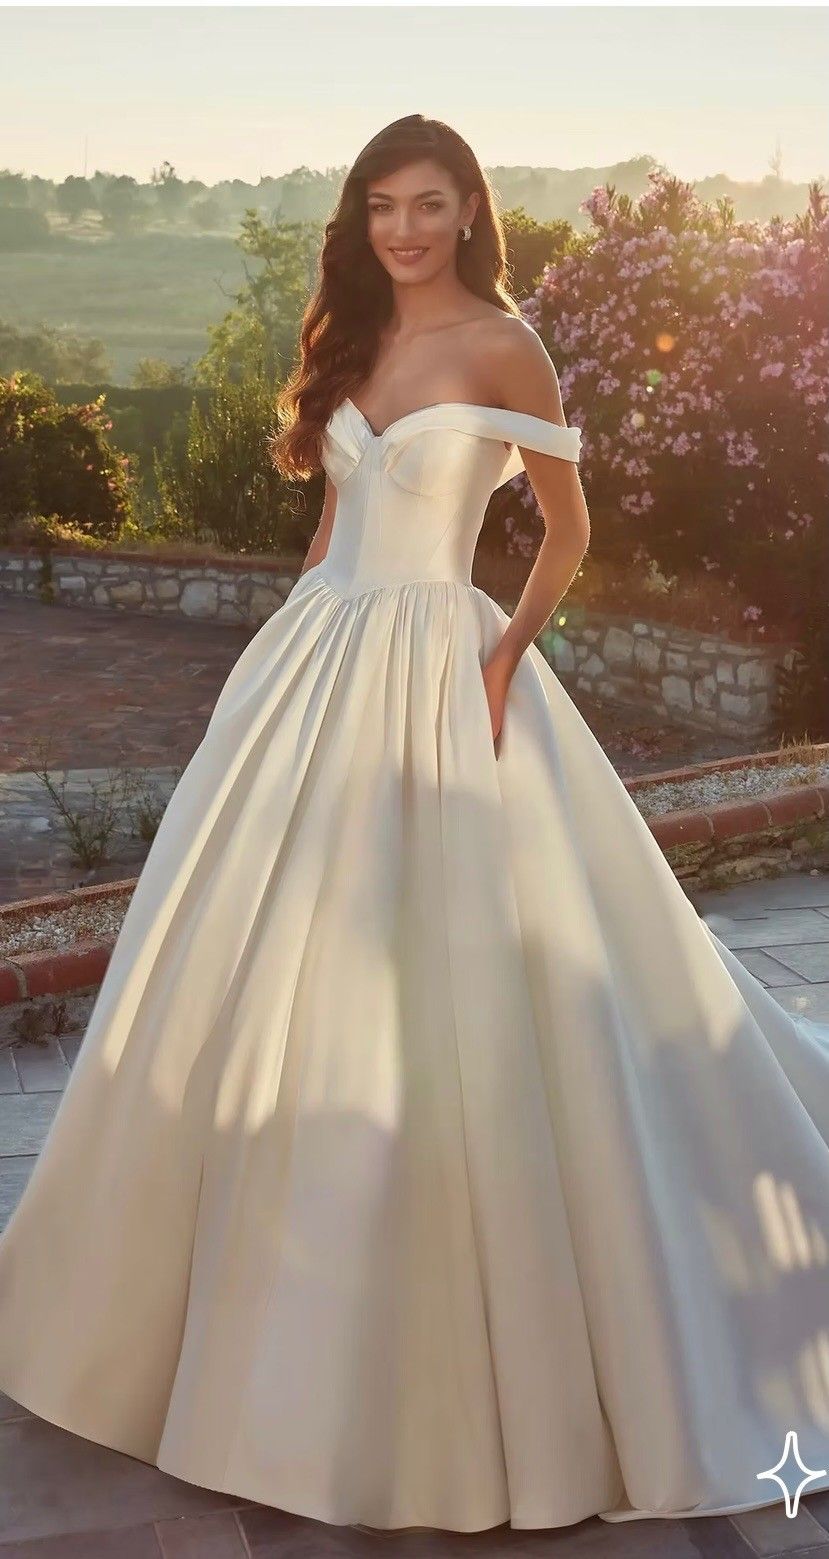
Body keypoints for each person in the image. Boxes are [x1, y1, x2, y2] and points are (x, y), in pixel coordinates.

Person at [0, 112, 828, 1539]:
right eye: (381, 204)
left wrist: (505, 650)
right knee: (261, 957)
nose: (402, 229)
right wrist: (278, 645)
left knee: (463, 971)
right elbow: (331, 527)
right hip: (317, 659)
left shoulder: (504, 346)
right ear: (359, 217)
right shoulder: (346, 335)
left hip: (445, 670)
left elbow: (566, 532)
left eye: (428, 205)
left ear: (468, 213)